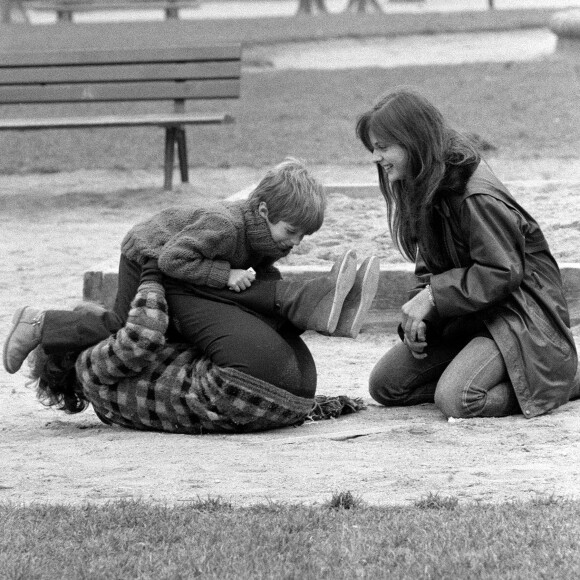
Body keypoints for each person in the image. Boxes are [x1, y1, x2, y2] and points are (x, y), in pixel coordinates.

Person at [356, 87, 578, 419]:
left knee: (458, 400)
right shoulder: (422, 182)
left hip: (518, 318)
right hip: (469, 315)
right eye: (374, 148)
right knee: (386, 386)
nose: (376, 158)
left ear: (413, 142)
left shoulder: (475, 196)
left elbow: (501, 272)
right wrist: (421, 320)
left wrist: (432, 297)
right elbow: (428, 268)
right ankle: (484, 372)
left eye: (383, 148)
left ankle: (566, 379)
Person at [25, 264, 364, 433]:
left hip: (290, 394)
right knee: (175, 283)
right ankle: (305, 299)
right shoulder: (90, 368)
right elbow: (143, 334)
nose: (108, 317)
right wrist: (151, 273)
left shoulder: (110, 409)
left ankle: (311, 303)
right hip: (238, 385)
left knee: (213, 305)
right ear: (76, 344)